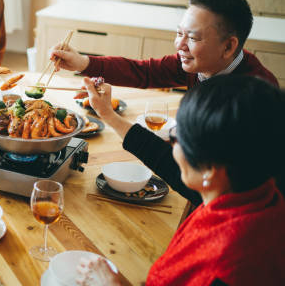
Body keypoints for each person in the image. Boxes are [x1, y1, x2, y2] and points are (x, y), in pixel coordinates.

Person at [75, 75, 285, 285]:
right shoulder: (250, 189)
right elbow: (167, 162)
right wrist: (108, 115)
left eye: (177, 138)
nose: (172, 147)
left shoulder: (229, 268)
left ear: (209, 169)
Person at [50, 0, 278, 89]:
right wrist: (83, 63)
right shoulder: (201, 65)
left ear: (228, 47)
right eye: (180, 33)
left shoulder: (257, 92)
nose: (179, 45)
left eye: (193, 38)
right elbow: (144, 72)